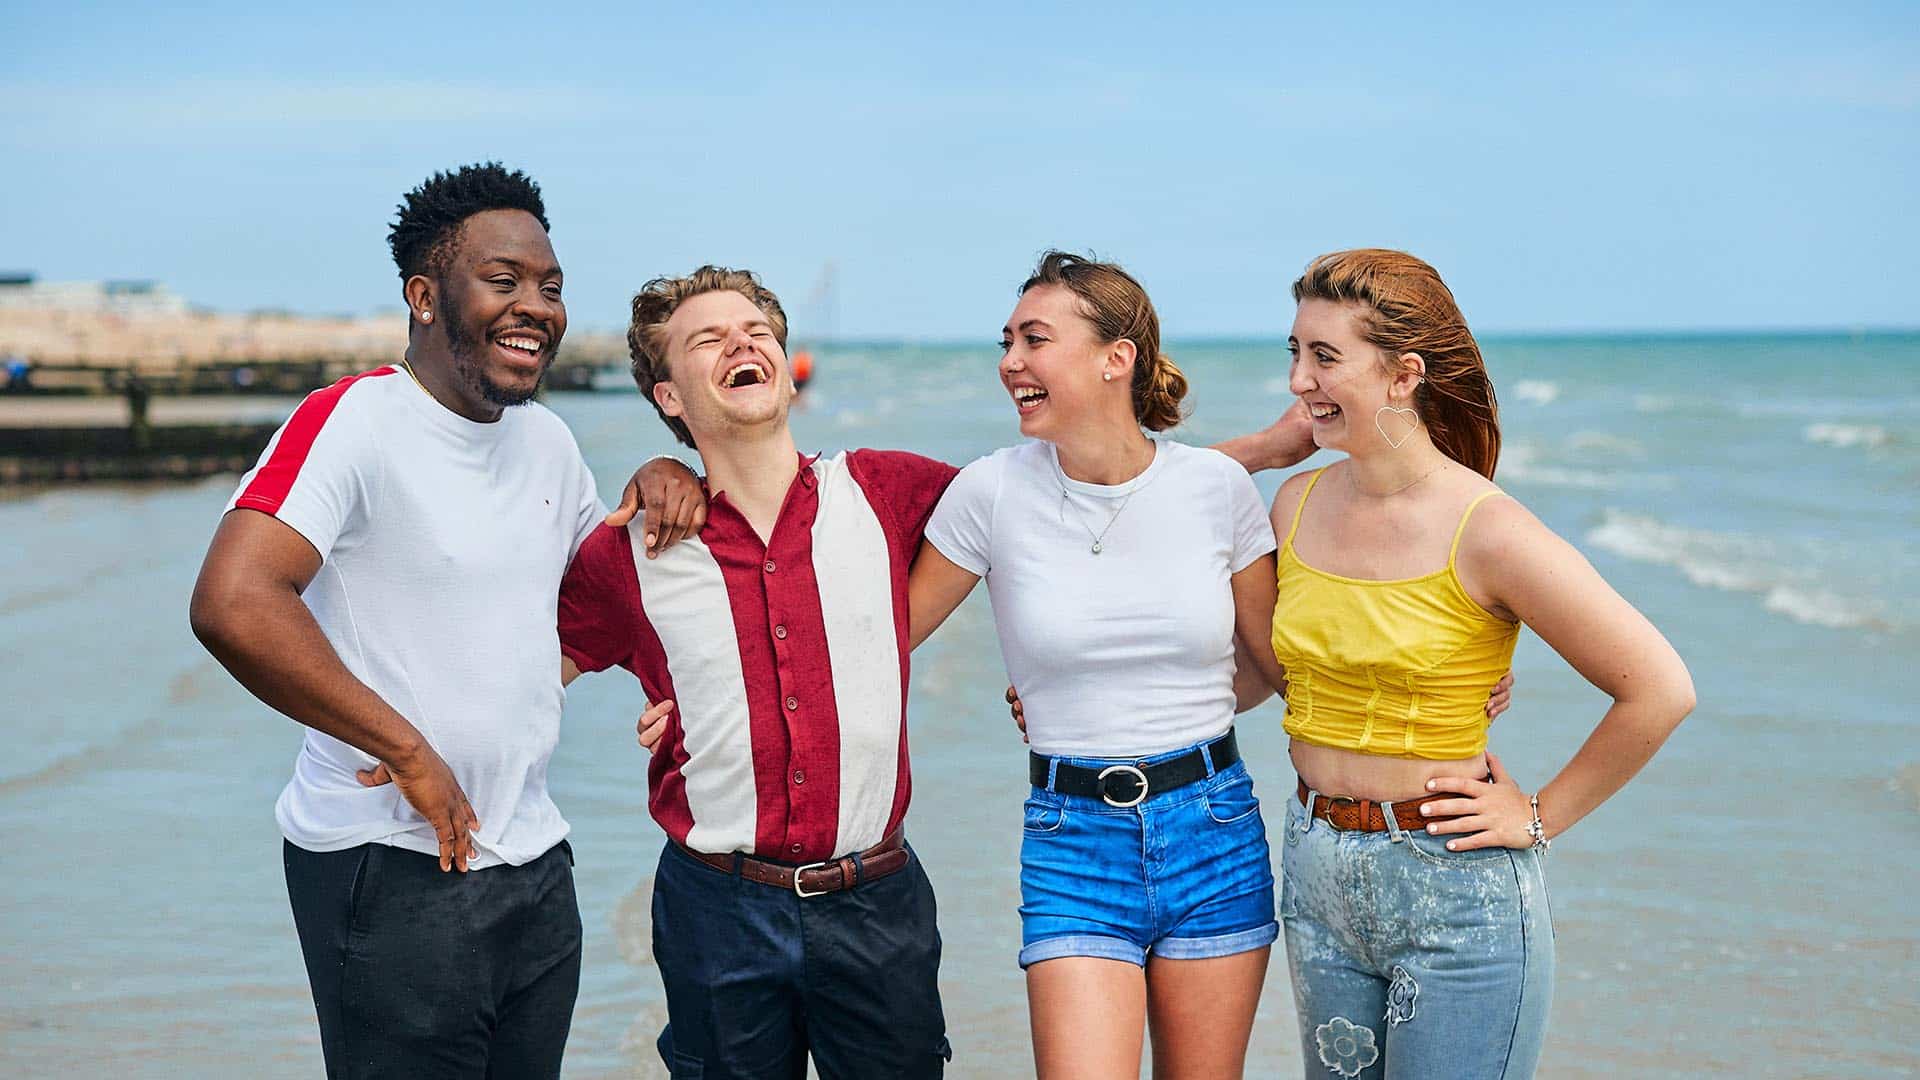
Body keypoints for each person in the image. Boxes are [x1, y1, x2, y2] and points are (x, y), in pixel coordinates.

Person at [188, 163, 685, 1079]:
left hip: (533, 864)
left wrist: (663, 478)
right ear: (424, 295)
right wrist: (407, 750)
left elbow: (603, 600)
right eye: (504, 281)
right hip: (387, 869)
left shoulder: (547, 440)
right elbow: (234, 601)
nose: (536, 304)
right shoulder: (356, 422)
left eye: (551, 285)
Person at [1249, 249, 1695, 1079]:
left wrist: (1539, 817)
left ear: (1402, 375)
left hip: (1454, 893)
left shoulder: (1487, 529)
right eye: (1295, 352)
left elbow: (1659, 689)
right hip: (1315, 871)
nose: (1298, 379)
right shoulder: (1296, 502)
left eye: (1324, 357)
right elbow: (1274, 668)